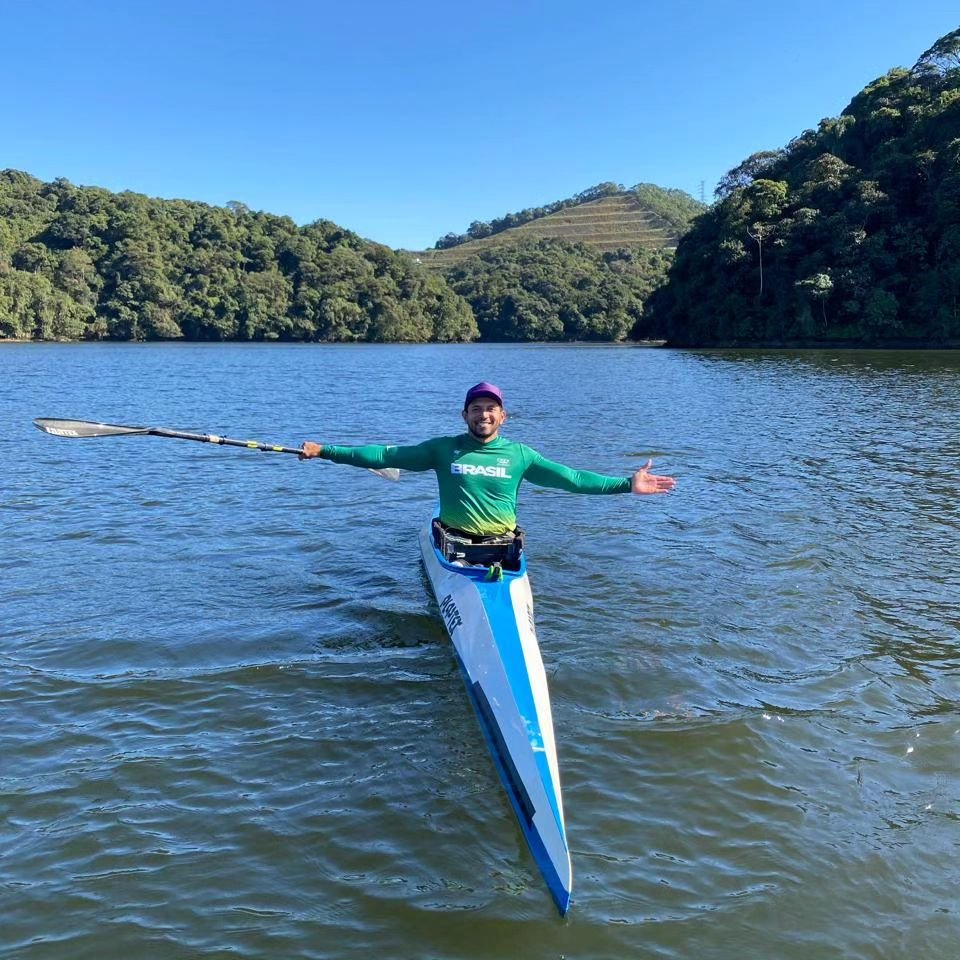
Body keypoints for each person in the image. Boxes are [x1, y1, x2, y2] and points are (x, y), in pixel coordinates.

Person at [299, 382, 676, 551]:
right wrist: (324, 450)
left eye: (490, 409)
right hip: (454, 547)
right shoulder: (441, 449)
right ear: (464, 414)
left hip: (502, 550)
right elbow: (384, 456)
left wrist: (627, 484)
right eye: (476, 408)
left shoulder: (520, 456)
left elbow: (573, 479)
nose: (483, 414)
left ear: (503, 417)